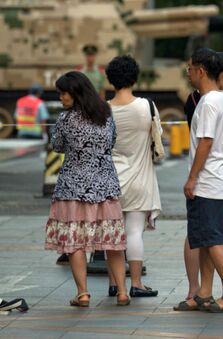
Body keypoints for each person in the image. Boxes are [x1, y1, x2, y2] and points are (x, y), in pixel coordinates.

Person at [44, 71, 129, 307]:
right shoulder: (106, 114)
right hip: (105, 187)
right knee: (112, 242)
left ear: (76, 93)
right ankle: (122, 292)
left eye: (63, 93)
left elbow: (57, 145)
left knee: (76, 243)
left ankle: (83, 293)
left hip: (73, 189)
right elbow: (112, 143)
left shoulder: (65, 119)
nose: (61, 97)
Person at [181, 47, 223, 313]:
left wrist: (192, 178)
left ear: (201, 71)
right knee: (209, 239)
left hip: (207, 181)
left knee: (214, 240)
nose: (189, 74)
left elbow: (206, 142)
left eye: (190, 70)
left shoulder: (207, 103)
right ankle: (205, 292)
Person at [105, 55, 162, 298]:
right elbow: (156, 137)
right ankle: (136, 284)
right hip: (140, 178)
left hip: (110, 179)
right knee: (134, 231)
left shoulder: (104, 109)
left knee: (112, 234)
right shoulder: (147, 106)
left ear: (110, 79)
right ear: (135, 77)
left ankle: (115, 284)